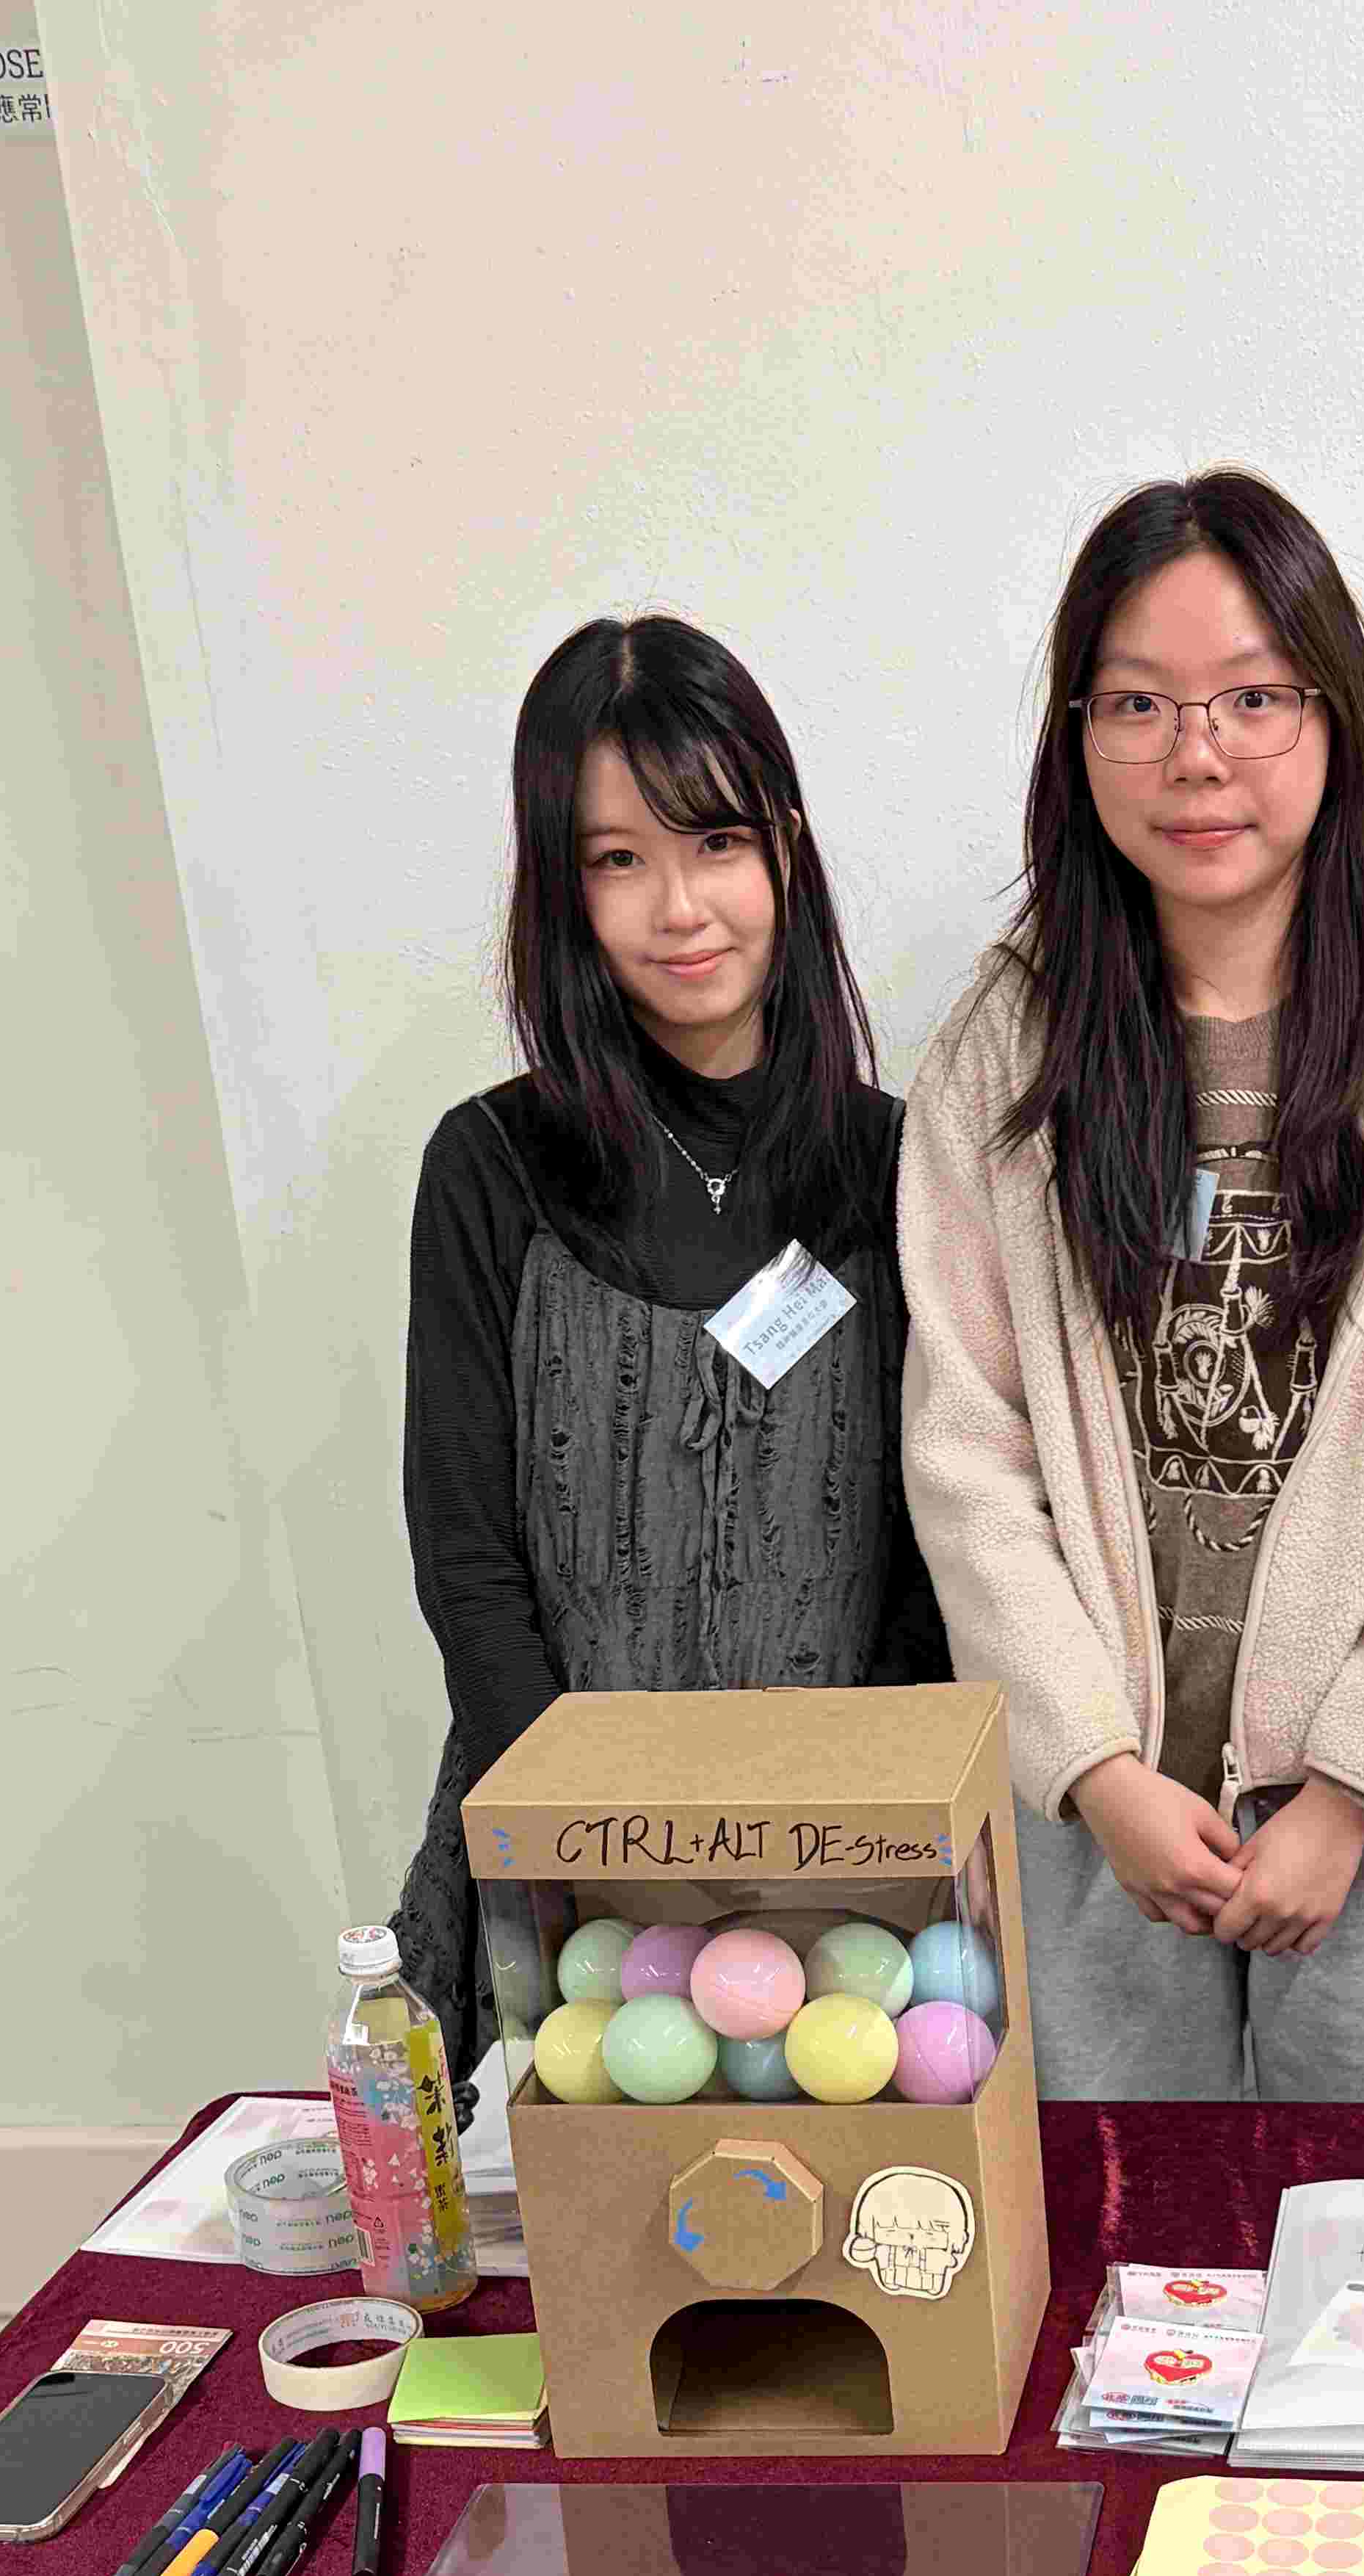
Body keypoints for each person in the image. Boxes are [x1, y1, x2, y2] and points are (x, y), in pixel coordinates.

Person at [897, 468, 1364, 2102]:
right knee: (1127, 2217)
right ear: (1077, 738)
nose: (1196, 757)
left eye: (1254, 700)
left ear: (1335, 719)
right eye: (1138, 703)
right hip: (1098, 1799)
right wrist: (1095, 1766)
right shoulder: (1004, 1049)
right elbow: (968, 1450)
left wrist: (1350, 1791)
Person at [393, 614, 942, 2072]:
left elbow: (932, 1543)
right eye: (617, 860)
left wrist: (848, 1831)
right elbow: (465, 1552)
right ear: (560, 888)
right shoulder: (491, 1167)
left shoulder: (899, 1163)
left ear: (785, 853)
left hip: (847, 1876)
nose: (681, 907)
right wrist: (578, 1840)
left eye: (715, 842)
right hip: (578, 1882)